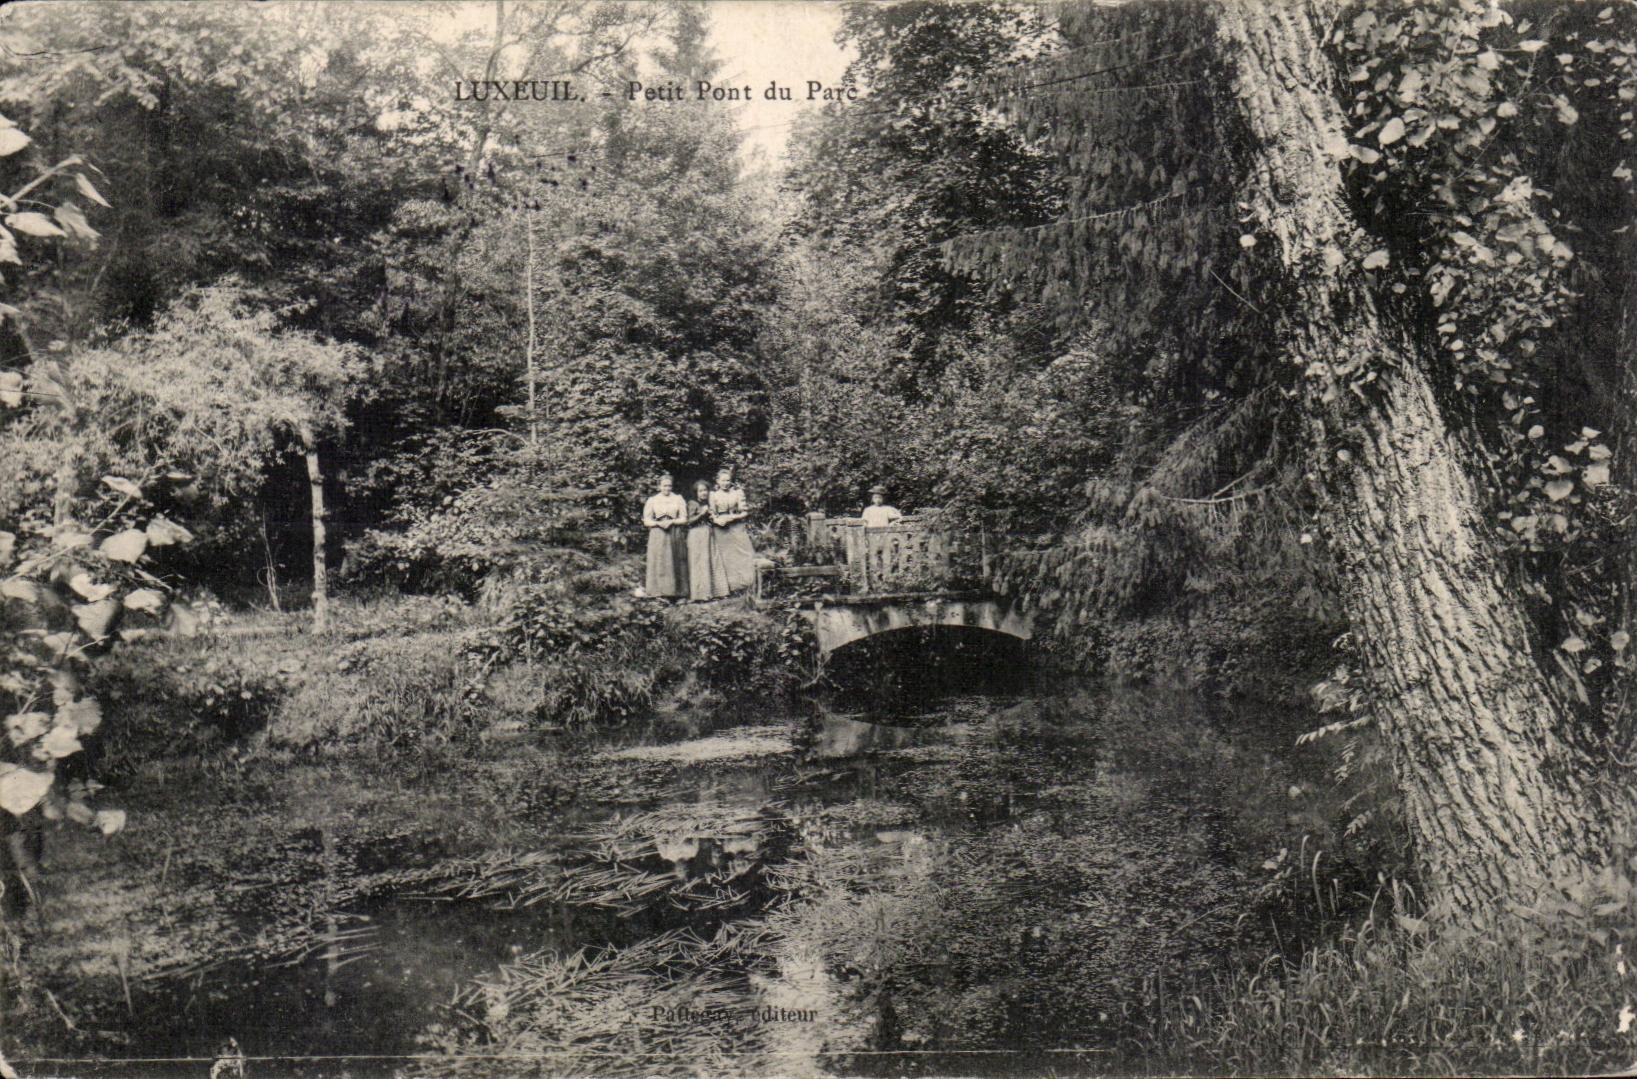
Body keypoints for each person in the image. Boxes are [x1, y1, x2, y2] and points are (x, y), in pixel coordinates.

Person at [708, 466, 757, 593]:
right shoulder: (713, 495)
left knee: (743, 553)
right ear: (718, 481)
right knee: (726, 556)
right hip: (721, 528)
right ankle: (730, 587)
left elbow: (744, 512)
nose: (725, 483)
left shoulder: (737, 493)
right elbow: (712, 513)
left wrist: (733, 517)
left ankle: (747, 584)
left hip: (736, 526)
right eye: (723, 480)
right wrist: (717, 520)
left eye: (728, 480)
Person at [641, 473, 688, 599]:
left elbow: (684, 518)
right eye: (664, 486)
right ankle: (658, 592)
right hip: (658, 533)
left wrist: (672, 522)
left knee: (675, 560)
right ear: (659, 486)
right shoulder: (653, 500)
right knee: (660, 561)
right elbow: (646, 521)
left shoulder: (678, 499)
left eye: (669, 486)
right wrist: (658, 523)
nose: (667, 488)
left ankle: (677, 593)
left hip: (674, 532)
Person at [686, 479, 726, 601]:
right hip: (696, 534)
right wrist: (702, 514)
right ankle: (700, 594)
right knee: (700, 563)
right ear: (696, 493)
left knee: (712, 560)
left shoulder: (708, 503)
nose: (704, 493)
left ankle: (715, 592)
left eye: (705, 490)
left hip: (708, 533)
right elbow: (688, 521)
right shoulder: (692, 504)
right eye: (700, 491)